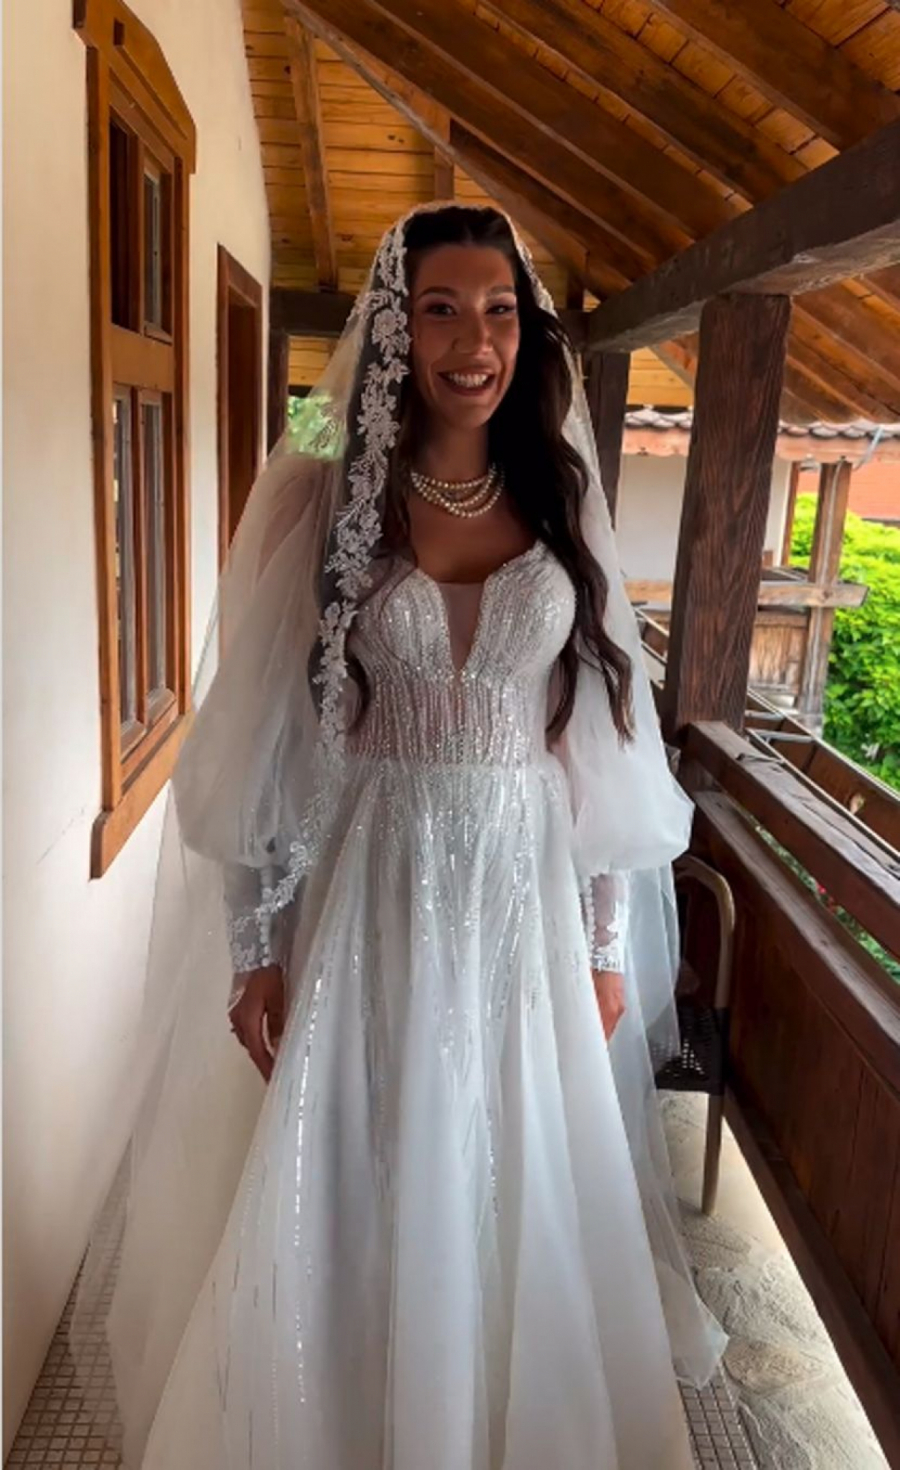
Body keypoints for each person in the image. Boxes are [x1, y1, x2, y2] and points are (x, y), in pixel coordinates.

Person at [70, 203, 725, 1468]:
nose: (474, 342)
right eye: (440, 310)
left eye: (499, 312)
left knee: (517, 1164)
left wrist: (603, 944)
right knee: (361, 1154)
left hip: (523, 894)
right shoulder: (321, 492)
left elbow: (598, 741)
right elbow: (260, 738)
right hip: (370, 883)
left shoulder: (563, 491)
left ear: (526, 330)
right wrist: (254, 945)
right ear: (395, 327)